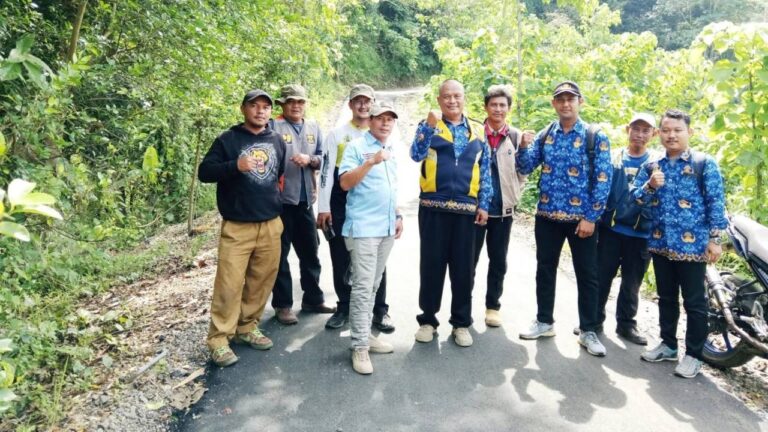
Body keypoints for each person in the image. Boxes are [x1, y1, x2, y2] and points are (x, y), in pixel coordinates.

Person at [516, 81, 612, 357]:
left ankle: (589, 330)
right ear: (554, 103)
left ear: (580, 102)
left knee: (587, 274)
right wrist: (523, 146)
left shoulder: (596, 136)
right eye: (561, 99)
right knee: (545, 268)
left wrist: (591, 217)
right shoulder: (548, 134)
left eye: (571, 99)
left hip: (581, 220)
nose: (566, 104)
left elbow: (603, 180)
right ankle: (544, 321)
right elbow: (525, 166)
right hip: (547, 215)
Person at [633, 109, 727, 378]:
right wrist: (649, 186)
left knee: (695, 302)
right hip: (661, 243)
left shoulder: (703, 163)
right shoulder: (652, 166)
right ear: (658, 133)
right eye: (666, 130)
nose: (671, 135)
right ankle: (668, 345)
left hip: (693, 247)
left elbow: (715, 203)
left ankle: (694, 354)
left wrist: (715, 240)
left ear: (689, 132)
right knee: (666, 297)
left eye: (677, 130)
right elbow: (635, 199)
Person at [198, 89, 285, 367]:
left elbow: (278, 174)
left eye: (265, 107)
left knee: (262, 281)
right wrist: (235, 165)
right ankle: (219, 339)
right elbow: (205, 172)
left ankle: (247, 327)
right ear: (243, 109)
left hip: (270, 223)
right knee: (229, 284)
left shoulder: (276, 140)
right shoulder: (228, 139)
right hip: (238, 226)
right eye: (254, 106)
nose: (260, 111)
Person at [410, 79, 491, 348]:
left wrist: (484, 204)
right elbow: (415, 153)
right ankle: (427, 320)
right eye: (447, 96)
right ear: (439, 99)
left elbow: (486, 170)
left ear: (464, 98)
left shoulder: (478, 130)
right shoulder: (428, 125)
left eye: (457, 96)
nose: (452, 101)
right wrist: (430, 125)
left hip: (467, 211)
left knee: (463, 269)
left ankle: (460, 323)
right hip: (433, 208)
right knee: (431, 265)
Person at [317, 84, 394, 333]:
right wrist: (324, 207)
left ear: (373, 104)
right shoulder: (338, 135)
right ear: (350, 105)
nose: (362, 105)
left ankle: (380, 310)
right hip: (341, 197)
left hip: (371, 203)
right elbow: (327, 171)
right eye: (357, 101)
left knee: (375, 257)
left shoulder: (383, 137)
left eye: (367, 101)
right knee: (340, 254)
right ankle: (344, 306)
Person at [338, 101, 403, 374]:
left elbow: (390, 188)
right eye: (380, 118)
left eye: (390, 119)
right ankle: (359, 347)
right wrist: (369, 162)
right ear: (370, 120)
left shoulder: (390, 149)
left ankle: (365, 336)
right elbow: (344, 183)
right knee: (363, 287)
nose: (385, 123)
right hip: (363, 229)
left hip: (386, 227)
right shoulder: (355, 147)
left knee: (374, 285)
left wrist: (397, 215)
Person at [270, 84, 335, 325]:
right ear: (282, 105)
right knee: (280, 255)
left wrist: (310, 160)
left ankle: (313, 299)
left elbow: (324, 159)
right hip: (280, 202)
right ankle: (283, 305)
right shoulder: (273, 126)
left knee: (311, 252)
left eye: (300, 102)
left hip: (306, 200)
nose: (295, 106)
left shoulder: (313, 127)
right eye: (290, 102)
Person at [594, 113, 658, 345]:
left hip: (642, 234)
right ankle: (592, 321)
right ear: (627, 129)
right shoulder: (613, 158)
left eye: (646, 130)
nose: (640, 134)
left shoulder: (658, 163)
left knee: (632, 282)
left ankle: (626, 325)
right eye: (636, 129)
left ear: (654, 134)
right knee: (601, 277)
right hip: (611, 230)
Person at [472, 85, 533, 328]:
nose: (498, 109)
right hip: (475, 208)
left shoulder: (516, 136)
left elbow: (526, 169)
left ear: (508, 108)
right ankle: (463, 307)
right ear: (486, 107)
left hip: (504, 209)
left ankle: (492, 306)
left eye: (503, 105)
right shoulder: (475, 133)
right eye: (494, 104)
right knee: (469, 260)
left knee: (498, 260)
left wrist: (526, 147)